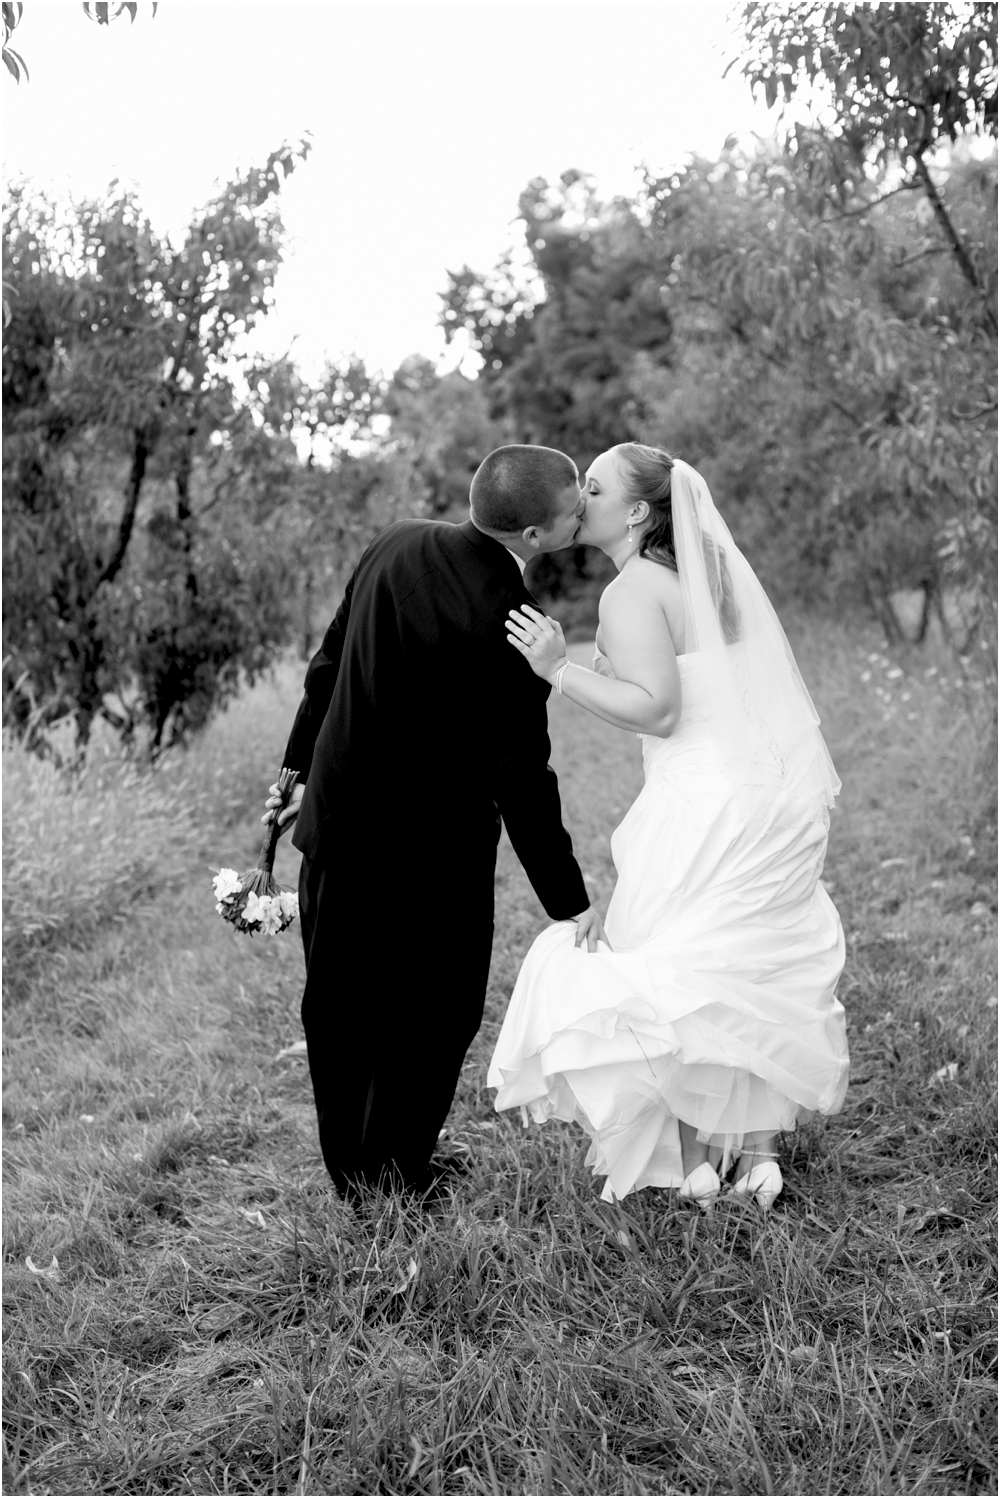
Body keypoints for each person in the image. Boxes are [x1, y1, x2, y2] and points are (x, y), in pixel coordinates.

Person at [489, 444, 848, 1210]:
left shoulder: (630, 593)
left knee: (674, 965)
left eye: (595, 485)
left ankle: (692, 1163)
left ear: (640, 511)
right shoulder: (704, 580)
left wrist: (558, 670)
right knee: (737, 966)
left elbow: (657, 709)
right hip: (765, 794)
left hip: (704, 802)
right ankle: (755, 1157)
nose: (578, 495)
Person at [264, 445, 607, 1203]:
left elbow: (325, 669)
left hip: (336, 829)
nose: (583, 510)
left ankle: (359, 1177)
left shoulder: (392, 541)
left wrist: (294, 777)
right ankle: (394, 1175)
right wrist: (568, 897)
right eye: (573, 505)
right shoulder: (517, 625)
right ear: (534, 537)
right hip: (432, 864)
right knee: (437, 1015)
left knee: (339, 1008)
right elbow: (522, 777)